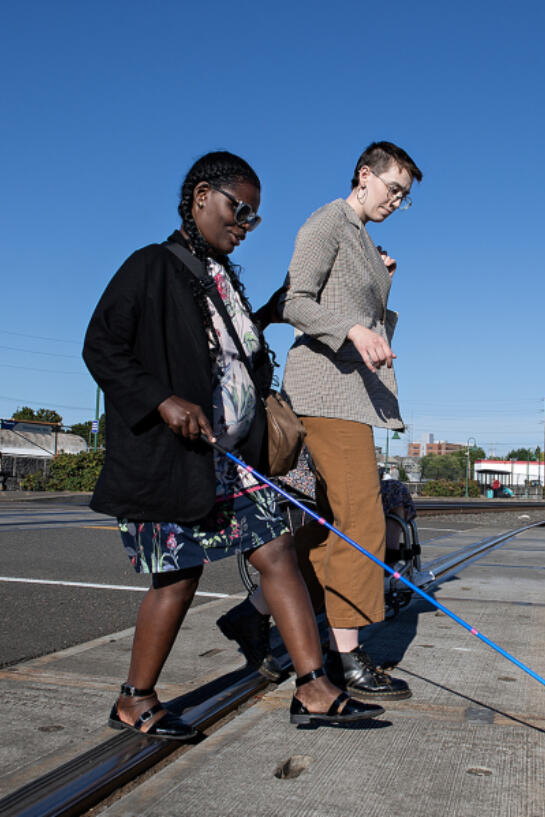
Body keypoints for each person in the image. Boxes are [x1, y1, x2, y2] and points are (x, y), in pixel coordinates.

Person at [83, 151, 383, 738]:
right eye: (237, 210)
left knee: (275, 553)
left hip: (230, 459)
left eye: (254, 218)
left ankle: (314, 687)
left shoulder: (222, 277)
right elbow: (101, 347)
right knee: (177, 576)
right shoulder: (152, 266)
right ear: (200, 196)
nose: (244, 225)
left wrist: (270, 313)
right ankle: (134, 698)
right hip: (172, 458)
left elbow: (234, 357)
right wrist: (162, 401)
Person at [217, 141, 422, 702]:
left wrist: (382, 285)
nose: (396, 202)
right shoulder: (328, 221)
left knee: (321, 522)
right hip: (326, 395)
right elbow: (295, 301)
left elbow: (355, 314)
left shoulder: (363, 240)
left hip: (350, 394)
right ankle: (348, 657)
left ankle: (254, 613)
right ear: (365, 174)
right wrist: (354, 330)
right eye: (393, 189)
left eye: (404, 197)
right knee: (362, 521)